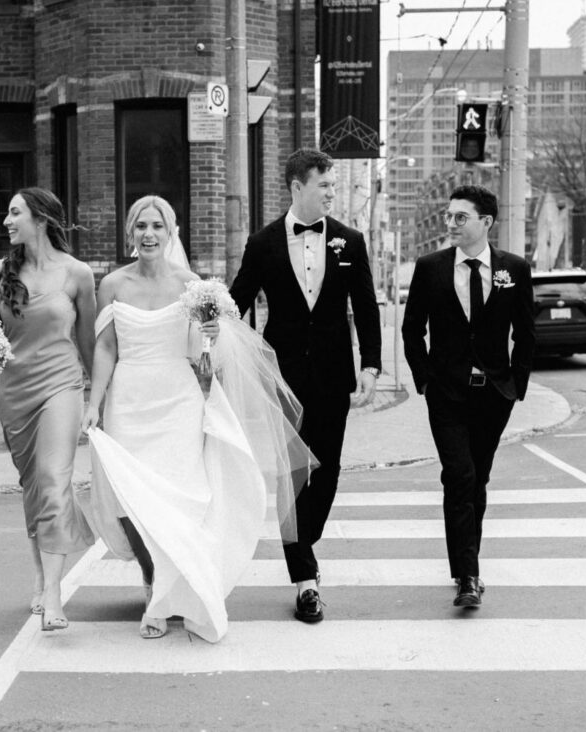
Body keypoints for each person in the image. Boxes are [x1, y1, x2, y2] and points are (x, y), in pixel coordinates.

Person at [81, 195, 311, 643]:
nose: (149, 234)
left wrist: (211, 337)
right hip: (128, 400)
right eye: (141, 226)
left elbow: (204, 360)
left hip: (178, 401)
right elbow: (106, 347)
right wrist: (95, 402)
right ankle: (154, 584)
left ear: (171, 234)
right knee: (132, 501)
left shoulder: (191, 285)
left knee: (180, 497)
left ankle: (180, 586)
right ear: (130, 233)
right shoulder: (110, 285)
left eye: (158, 226)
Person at [230, 148, 382, 624]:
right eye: (325, 185)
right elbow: (237, 300)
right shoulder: (263, 243)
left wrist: (371, 366)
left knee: (328, 468)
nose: (332, 193)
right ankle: (305, 581)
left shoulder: (350, 241)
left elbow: (366, 306)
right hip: (285, 378)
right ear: (297, 187)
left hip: (335, 374)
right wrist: (209, 319)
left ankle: (302, 539)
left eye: (334, 185)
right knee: (294, 472)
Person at [400, 184, 535, 608]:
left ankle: (465, 565)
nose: (451, 223)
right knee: (459, 476)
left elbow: (526, 333)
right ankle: (468, 577)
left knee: (478, 479)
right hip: (447, 395)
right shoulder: (430, 267)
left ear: (486, 222)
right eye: (449, 216)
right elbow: (411, 329)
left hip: (494, 394)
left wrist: (516, 386)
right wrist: (425, 381)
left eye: (461, 216)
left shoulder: (514, 269)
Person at [0, 187, 97, 632]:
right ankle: (41, 574)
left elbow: (89, 345)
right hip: (15, 391)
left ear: (41, 219)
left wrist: (100, 400)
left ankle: (53, 593)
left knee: (53, 480)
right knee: (33, 487)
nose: (7, 221)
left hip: (62, 386)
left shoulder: (78, 274)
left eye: (15, 213)